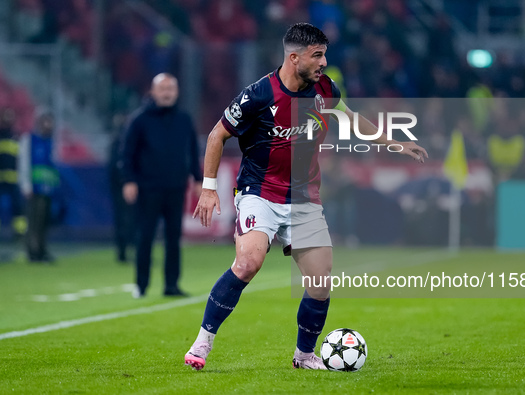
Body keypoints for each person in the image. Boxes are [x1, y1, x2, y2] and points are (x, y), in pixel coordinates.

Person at [184, 23, 427, 371]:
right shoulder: (258, 95)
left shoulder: (325, 90)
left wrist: (395, 143)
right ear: (294, 57)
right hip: (260, 193)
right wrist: (208, 188)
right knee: (248, 262)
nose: (324, 62)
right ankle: (202, 343)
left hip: (304, 199)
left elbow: (352, 119)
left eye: (325, 54)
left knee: (320, 283)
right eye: (317, 55)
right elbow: (215, 136)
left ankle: (304, 355)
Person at [121, 73, 202, 298]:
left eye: (171, 89)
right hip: (148, 188)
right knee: (145, 236)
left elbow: (193, 151)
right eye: (163, 89)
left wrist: (197, 178)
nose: (167, 93)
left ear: (176, 92)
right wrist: (129, 180)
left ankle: (171, 285)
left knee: (174, 238)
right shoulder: (139, 120)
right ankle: (141, 284)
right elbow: (127, 153)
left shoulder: (184, 119)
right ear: (153, 91)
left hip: (176, 187)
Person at [18, 111, 60, 263]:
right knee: (34, 220)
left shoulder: (49, 142)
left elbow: (52, 166)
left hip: (47, 188)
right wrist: (26, 184)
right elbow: (24, 163)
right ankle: (32, 251)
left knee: (44, 221)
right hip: (34, 188)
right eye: (46, 122)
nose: (48, 126)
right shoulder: (30, 140)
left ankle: (42, 249)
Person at [108, 113, 135, 263]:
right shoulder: (121, 141)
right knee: (124, 219)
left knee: (128, 219)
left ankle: (126, 251)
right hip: (122, 185)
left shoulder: (118, 140)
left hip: (124, 184)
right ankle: (123, 251)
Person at [0, 108, 26, 242]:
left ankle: (20, 233)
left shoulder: (16, 137)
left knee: (18, 208)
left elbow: (21, 159)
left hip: (14, 178)